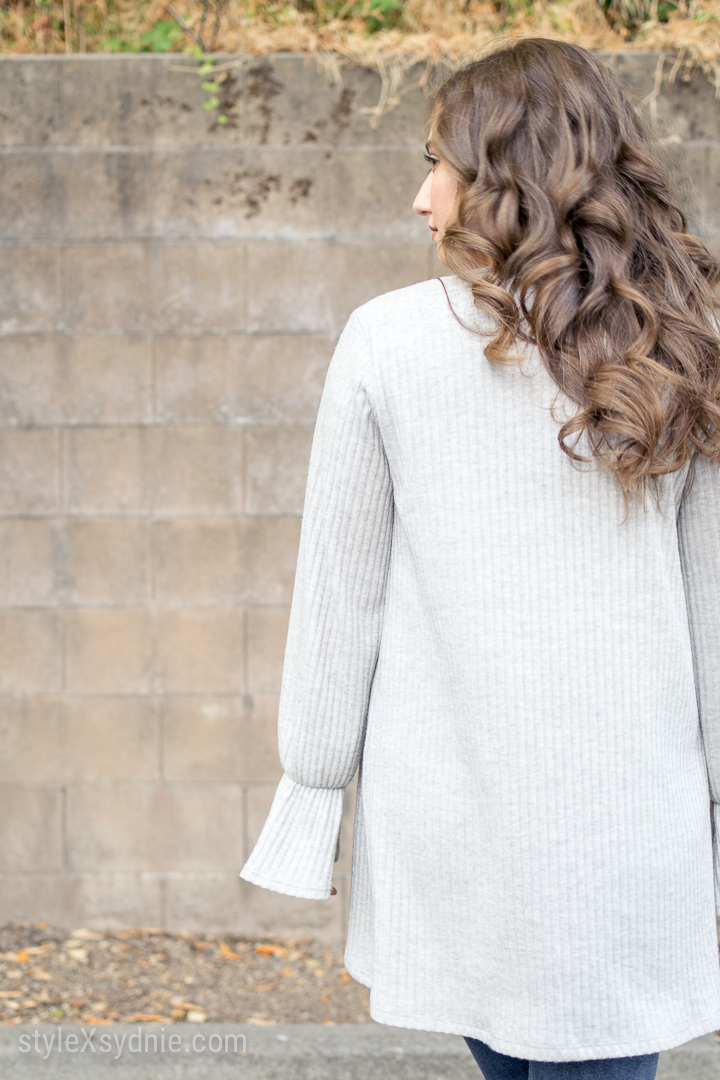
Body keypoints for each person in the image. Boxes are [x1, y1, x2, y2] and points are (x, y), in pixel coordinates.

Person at [240, 38, 720, 1080]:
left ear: (510, 174)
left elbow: (338, 601)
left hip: (467, 826)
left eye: (440, 164)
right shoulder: (682, 340)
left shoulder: (385, 342)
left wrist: (314, 787)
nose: (421, 199)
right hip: (619, 826)